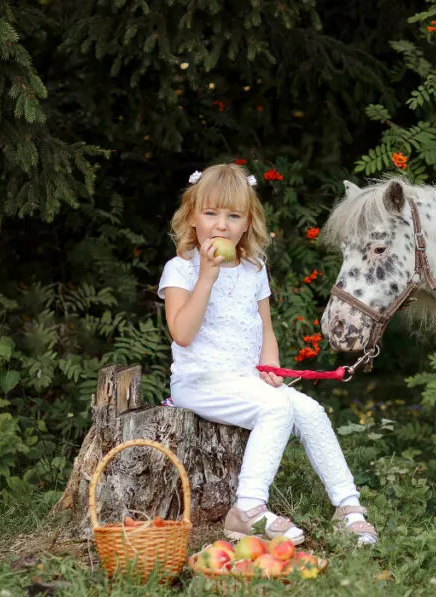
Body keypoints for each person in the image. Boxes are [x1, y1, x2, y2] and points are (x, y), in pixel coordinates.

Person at [158, 163, 377, 545]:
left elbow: (266, 329)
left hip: (245, 379)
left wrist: (271, 365)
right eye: (210, 213)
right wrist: (206, 277)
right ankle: (247, 509)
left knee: (310, 410)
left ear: (247, 223)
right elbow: (182, 333)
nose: (221, 225)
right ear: (193, 217)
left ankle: (348, 507)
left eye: (232, 215)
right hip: (199, 382)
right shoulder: (181, 269)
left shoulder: (253, 268)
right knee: (276, 409)